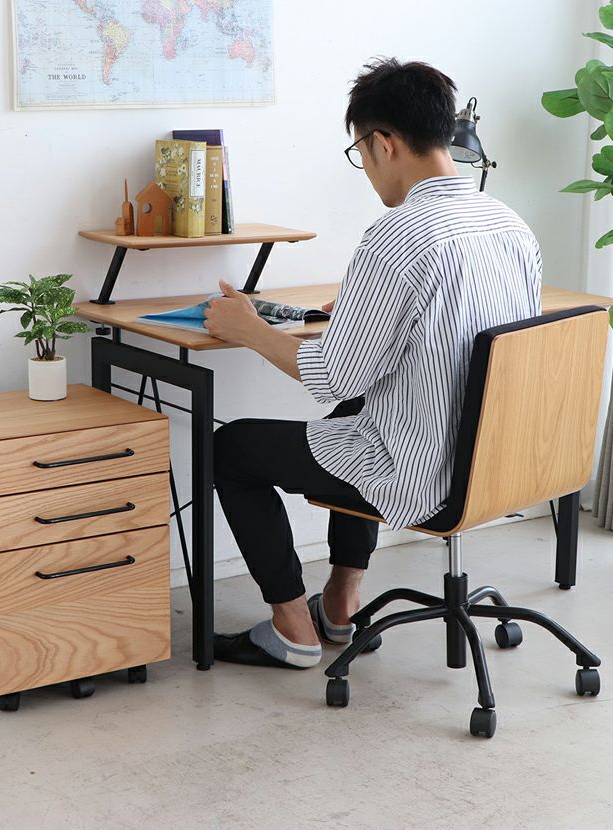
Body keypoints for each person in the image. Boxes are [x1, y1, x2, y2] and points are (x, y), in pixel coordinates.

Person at [204, 58, 542, 670]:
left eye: (360, 152)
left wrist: (249, 329)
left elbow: (330, 375)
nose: (366, 168)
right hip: (503, 459)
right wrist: (370, 312)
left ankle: (292, 628)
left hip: (425, 472)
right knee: (356, 408)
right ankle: (341, 604)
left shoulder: (397, 234)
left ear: (383, 143)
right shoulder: (509, 224)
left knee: (231, 449)